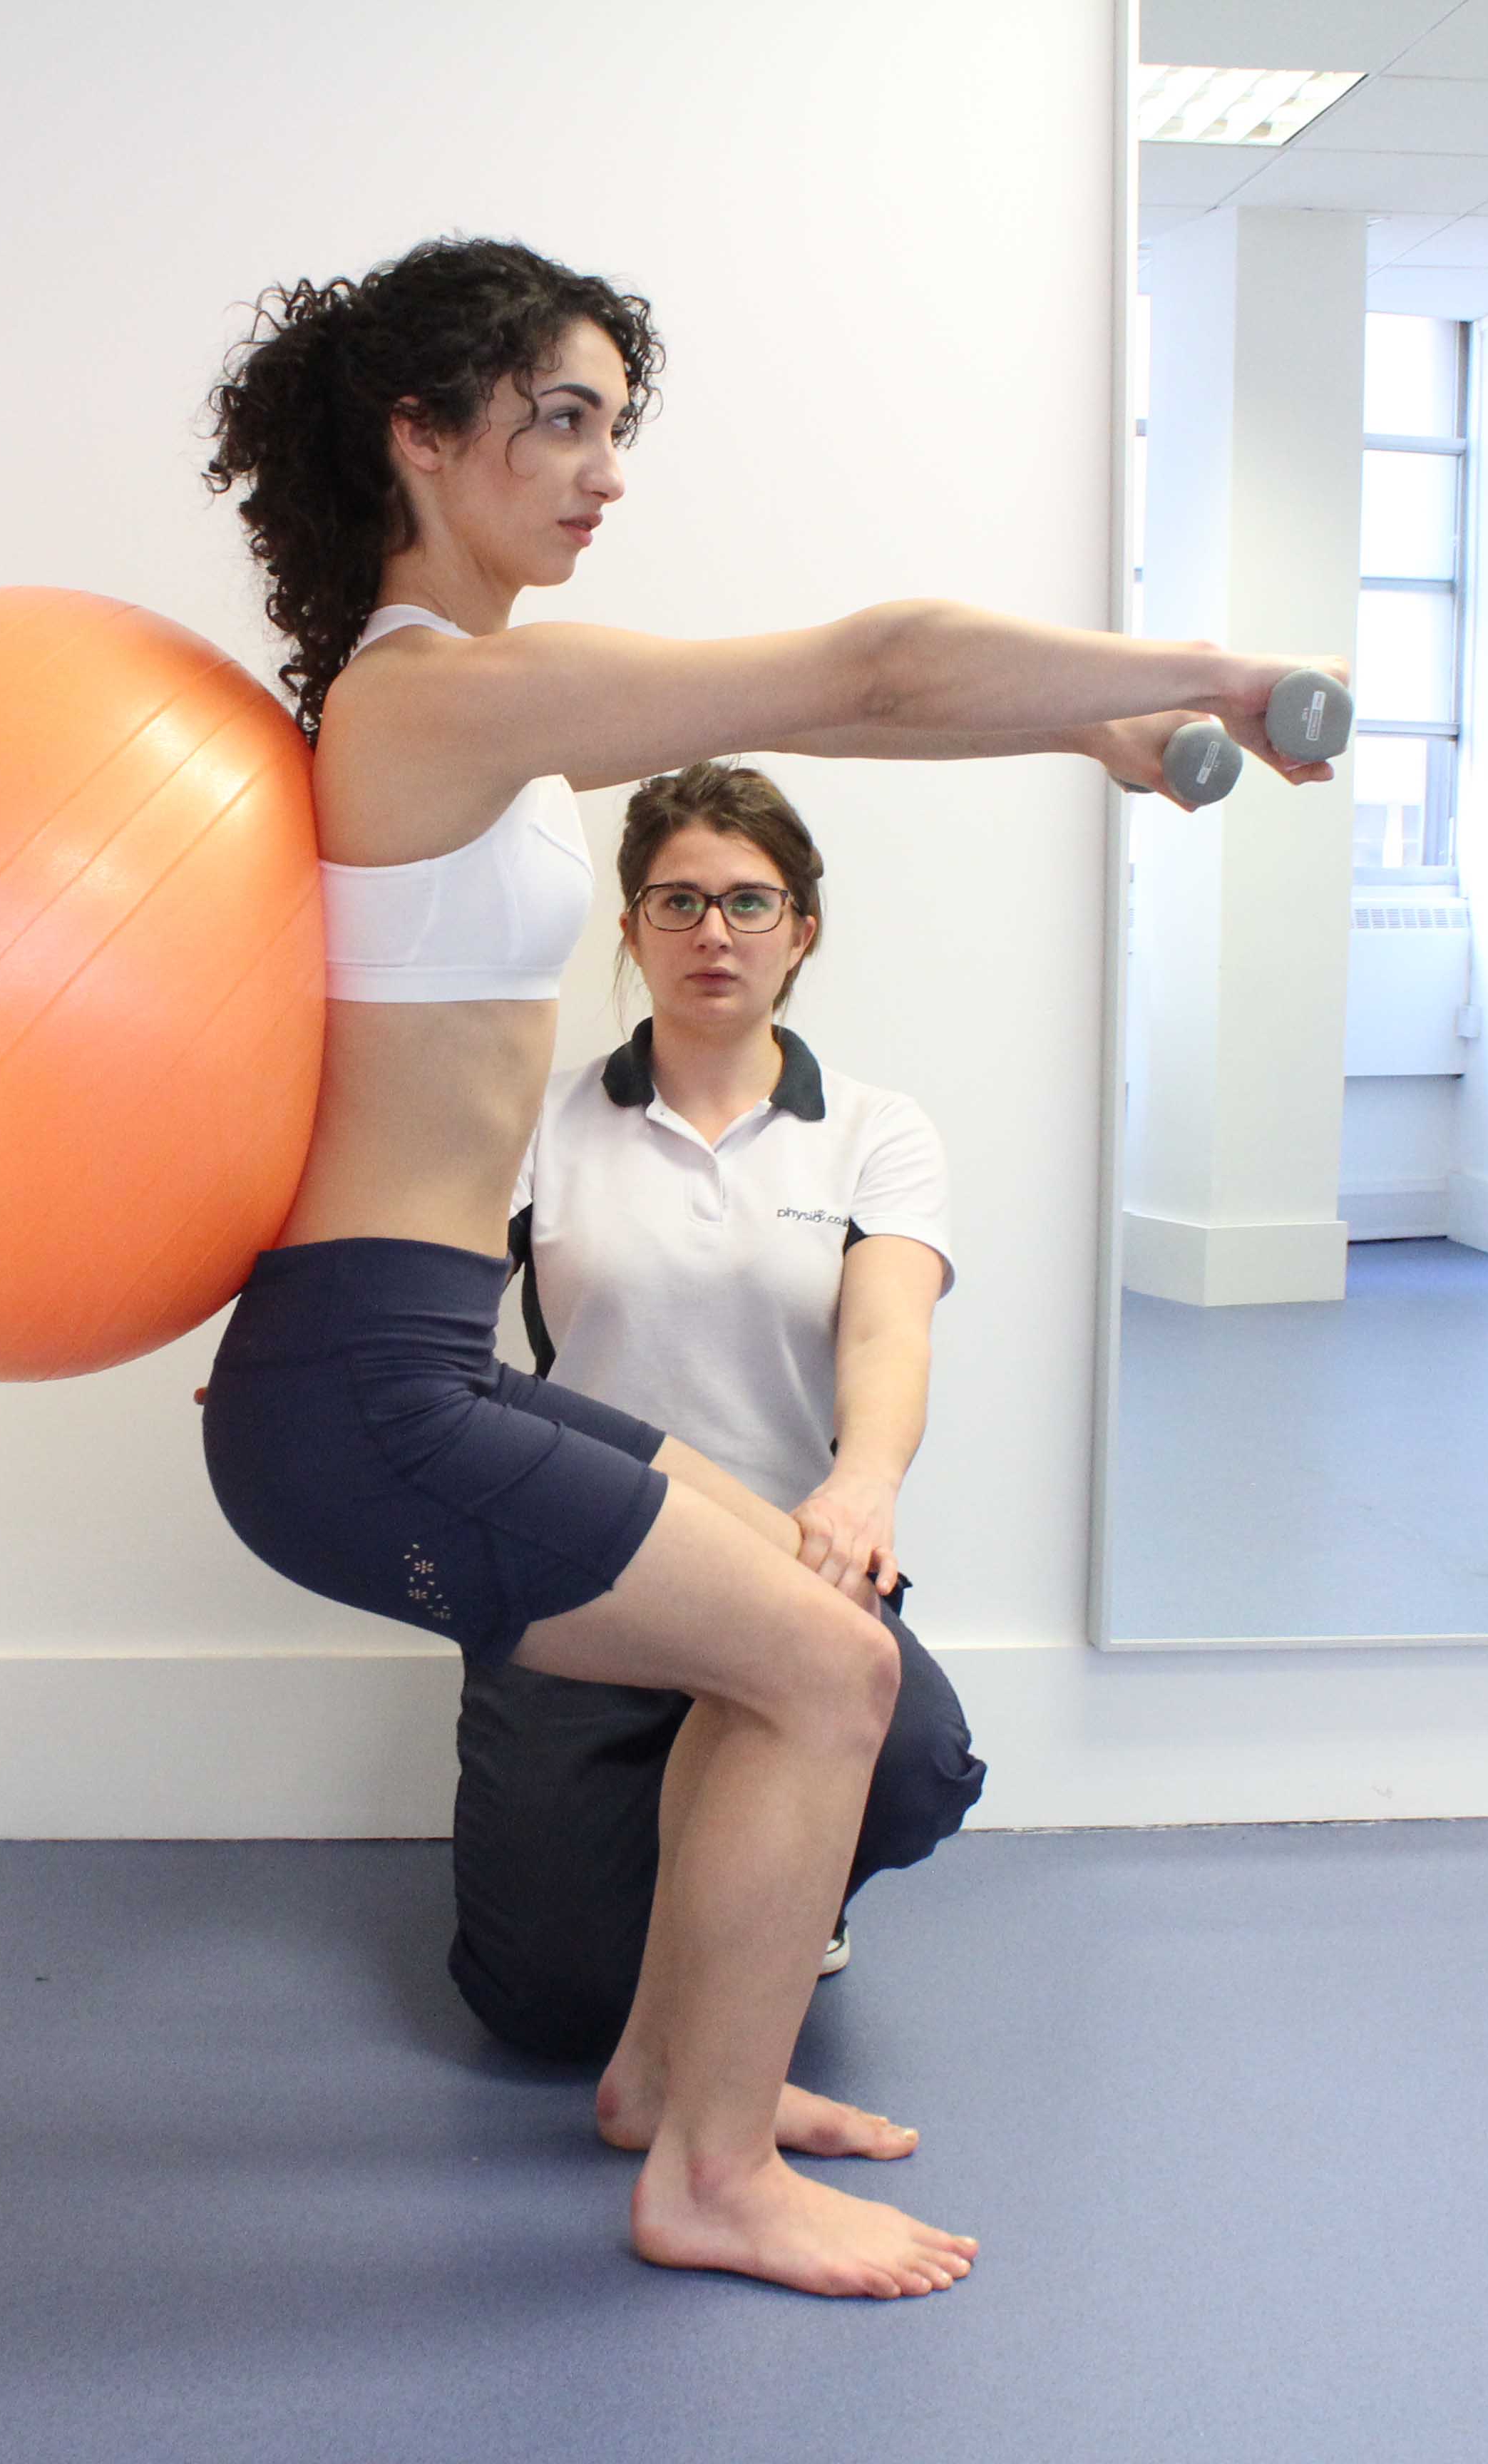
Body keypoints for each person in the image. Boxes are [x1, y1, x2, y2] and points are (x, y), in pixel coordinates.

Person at [194, 235, 1333, 2301]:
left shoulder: (463, 720)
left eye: (617, 427)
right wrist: (1212, 679)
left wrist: (1082, 739)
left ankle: (667, 2076)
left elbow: (860, 723)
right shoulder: (435, 696)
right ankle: (711, 2174)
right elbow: (871, 664)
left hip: (395, 1357)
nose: (602, 470)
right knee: (830, 1671)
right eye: (558, 418)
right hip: (371, 1381)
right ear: (420, 436)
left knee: (809, 1626)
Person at [451, 760, 983, 2066]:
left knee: (918, 1759)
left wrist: (863, 1486)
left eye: (751, 903)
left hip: (792, 1560)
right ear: (628, 928)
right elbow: (435, 1299)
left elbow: (886, 1328)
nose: (713, 934)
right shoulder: (544, 1118)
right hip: (586, 1567)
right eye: (676, 901)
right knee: (547, 2012)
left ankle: (789, 1894)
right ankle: (694, 1882)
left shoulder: (874, 1130)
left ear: (803, 929)